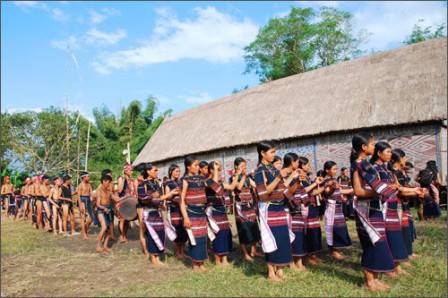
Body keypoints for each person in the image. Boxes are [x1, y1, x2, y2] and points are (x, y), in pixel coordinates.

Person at [350, 133, 395, 291]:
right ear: (363, 147)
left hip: (374, 207)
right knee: (371, 243)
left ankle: (375, 279)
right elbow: (358, 191)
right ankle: (369, 282)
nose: (374, 147)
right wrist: (380, 192)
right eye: (372, 144)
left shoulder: (366, 165)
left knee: (378, 243)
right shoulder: (357, 165)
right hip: (366, 209)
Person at [254, 140, 294, 282]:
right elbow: (263, 194)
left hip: (279, 207)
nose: (274, 155)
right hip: (269, 208)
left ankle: (280, 270)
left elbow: (282, 189)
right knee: (270, 239)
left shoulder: (273, 168)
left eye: (274, 152)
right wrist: (278, 177)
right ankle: (271, 273)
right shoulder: (260, 170)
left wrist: (295, 181)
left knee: (282, 238)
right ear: (262, 153)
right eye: (271, 152)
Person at [180, 156, 222, 272]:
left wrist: (216, 170)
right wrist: (185, 218)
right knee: (194, 238)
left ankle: (201, 264)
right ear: (188, 167)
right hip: (191, 212)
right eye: (195, 165)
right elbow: (182, 200)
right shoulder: (185, 180)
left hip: (201, 212)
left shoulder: (202, 178)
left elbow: (214, 185)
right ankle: (195, 264)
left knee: (203, 238)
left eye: (198, 165)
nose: (198, 167)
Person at [142, 163, 179, 266]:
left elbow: (160, 197)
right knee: (152, 235)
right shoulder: (143, 184)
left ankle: (157, 257)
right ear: (148, 172)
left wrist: (168, 195)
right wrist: (169, 194)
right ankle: (153, 258)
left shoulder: (156, 183)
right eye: (155, 170)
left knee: (160, 234)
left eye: (157, 170)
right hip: (149, 213)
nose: (157, 172)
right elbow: (145, 199)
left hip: (157, 212)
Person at [206, 161, 239, 266]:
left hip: (222, 211)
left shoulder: (220, 183)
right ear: (211, 170)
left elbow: (232, 186)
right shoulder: (206, 181)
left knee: (225, 233)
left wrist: (237, 174)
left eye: (220, 170)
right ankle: (217, 260)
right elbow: (213, 185)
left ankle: (224, 259)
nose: (220, 172)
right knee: (218, 234)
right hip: (213, 211)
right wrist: (215, 170)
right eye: (218, 170)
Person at [231, 157, 262, 262]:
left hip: (250, 207)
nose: (244, 168)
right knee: (243, 229)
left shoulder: (248, 178)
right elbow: (238, 188)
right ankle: (245, 254)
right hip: (240, 208)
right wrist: (243, 176)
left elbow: (257, 186)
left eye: (245, 166)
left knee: (254, 228)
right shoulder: (233, 178)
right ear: (236, 166)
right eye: (242, 166)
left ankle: (253, 251)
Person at [282, 153, 309, 270]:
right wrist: (297, 181)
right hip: (289, 209)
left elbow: (300, 190)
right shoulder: (284, 175)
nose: (299, 164)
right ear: (292, 162)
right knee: (291, 236)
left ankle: (299, 261)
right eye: (297, 162)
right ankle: (291, 262)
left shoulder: (295, 174)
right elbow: (288, 192)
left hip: (297, 208)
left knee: (299, 235)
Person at [322, 161, 353, 260]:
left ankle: (337, 247)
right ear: (327, 170)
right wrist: (332, 189)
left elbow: (340, 191)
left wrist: (353, 190)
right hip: (332, 208)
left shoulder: (334, 179)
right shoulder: (324, 181)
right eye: (334, 169)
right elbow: (326, 193)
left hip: (338, 208)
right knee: (332, 229)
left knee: (339, 228)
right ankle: (333, 250)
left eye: (336, 169)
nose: (336, 171)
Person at [299, 158, 325, 265]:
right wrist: (315, 183)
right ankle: (307, 256)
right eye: (307, 165)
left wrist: (325, 186)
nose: (308, 166)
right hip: (306, 208)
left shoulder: (306, 178)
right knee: (308, 232)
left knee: (314, 231)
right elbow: (304, 191)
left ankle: (312, 254)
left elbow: (313, 192)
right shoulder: (300, 178)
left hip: (312, 207)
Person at [164, 164, 189, 259]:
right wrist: (173, 193)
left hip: (181, 209)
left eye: (179, 171)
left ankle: (182, 252)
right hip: (173, 209)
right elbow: (167, 196)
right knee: (176, 230)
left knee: (183, 230)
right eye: (176, 171)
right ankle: (177, 253)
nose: (178, 173)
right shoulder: (168, 183)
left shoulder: (180, 182)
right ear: (171, 172)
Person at [95, 175, 122, 252]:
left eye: (110, 182)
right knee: (104, 228)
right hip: (101, 210)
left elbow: (116, 199)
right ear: (103, 181)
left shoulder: (109, 191)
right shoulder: (99, 191)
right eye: (108, 182)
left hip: (108, 210)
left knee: (109, 231)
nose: (110, 184)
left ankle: (105, 246)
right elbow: (98, 204)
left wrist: (124, 198)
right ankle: (98, 245)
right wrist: (104, 208)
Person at [116, 164, 136, 243]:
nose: (132, 171)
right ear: (125, 171)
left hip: (130, 200)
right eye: (130, 170)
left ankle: (125, 235)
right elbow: (119, 190)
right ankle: (121, 236)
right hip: (122, 200)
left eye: (132, 170)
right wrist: (124, 180)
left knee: (128, 219)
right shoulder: (121, 178)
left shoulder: (131, 180)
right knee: (122, 219)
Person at [77, 172, 94, 239]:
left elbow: (91, 193)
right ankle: (84, 234)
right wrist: (80, 205)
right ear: (83, 178)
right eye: (88, 176)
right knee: (83, 218)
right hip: (82, 200)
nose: (89, 178)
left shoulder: (89, 185)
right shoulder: (80, 185)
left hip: (88, 200)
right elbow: (78, 196)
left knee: (92, 217)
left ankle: (85, 229)